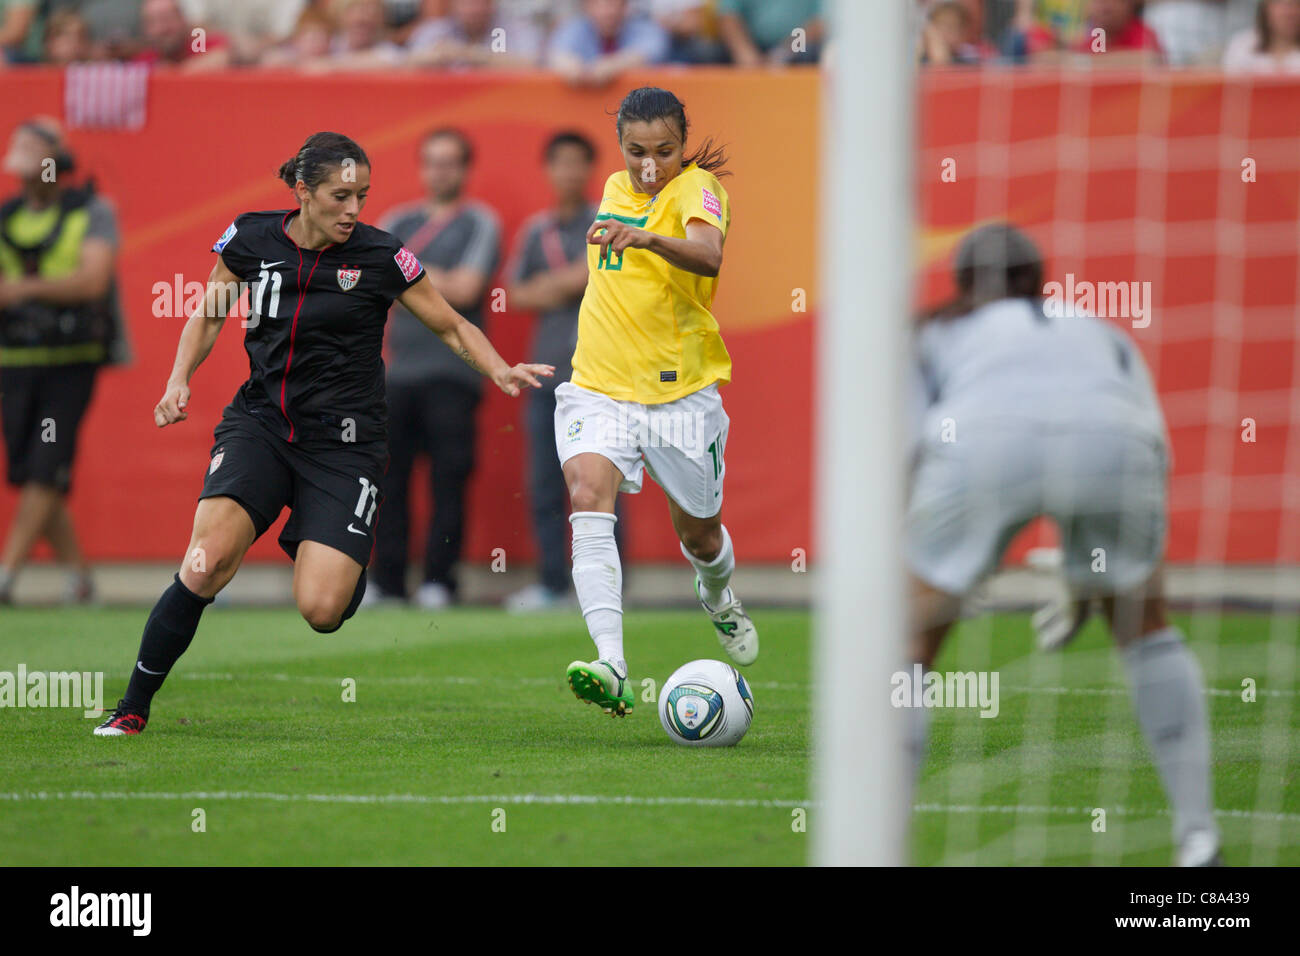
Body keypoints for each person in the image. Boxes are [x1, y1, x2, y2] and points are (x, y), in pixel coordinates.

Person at [93, 131, 549, 736]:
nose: (353, 209)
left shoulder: (384, 256)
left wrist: (498, 367)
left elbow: (451, 325)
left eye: (362, 195)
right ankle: (132, 706)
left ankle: (341, 556)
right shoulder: (251, 237)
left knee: (322, 610)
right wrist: (179, 379)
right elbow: (207, 313)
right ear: (304, 192)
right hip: (260, 425)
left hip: (346, 445)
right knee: (204, 562)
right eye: (341, 195)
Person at [905, 223, 1220, 867]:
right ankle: (1200, 842)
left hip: (982, 440)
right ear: (1040, 279)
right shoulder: (1100, 331)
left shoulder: (937, 332)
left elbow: (909, 445)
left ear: (961, 283)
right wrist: (1096, 578)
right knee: (1147, 628)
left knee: (909, 647)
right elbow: (1152, 439)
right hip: (1117, 443)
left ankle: (877, 846)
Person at [560, 86, 758, 719]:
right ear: (620, 145)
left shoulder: (699, 190)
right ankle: (612, 664)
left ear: (683, 144)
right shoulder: (619, 186)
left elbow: (708, 254)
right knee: (588, 496)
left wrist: (644, 240)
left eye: (664, 152)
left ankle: (718, 595)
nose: (649, 166)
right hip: (600, 383)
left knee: (700, 534)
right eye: (636, 151)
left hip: (680, 395)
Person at [368, 128, 501, 609]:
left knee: (449, 482)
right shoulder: (395, 219)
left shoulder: (480, 221)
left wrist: (409, 279)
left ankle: (440, 582)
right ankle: (387, 583)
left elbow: (467, 289)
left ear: (464, 169)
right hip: (395, 376)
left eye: (449, 162)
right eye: (432, 162)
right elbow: (374, 282)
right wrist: (426, 282)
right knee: (388, 483)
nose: (440, 171)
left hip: (455, 374)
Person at [0, 118, 128, 605]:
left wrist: (21, 291)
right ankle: (79, 576)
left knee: (45, 463)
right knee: (31, 469)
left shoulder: (91, 211)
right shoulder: (7, 215)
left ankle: (6, 574)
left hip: (70, 361)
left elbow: (92, 281)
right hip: (13, 359)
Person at [503, 131, 599, 613]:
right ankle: (551, 584)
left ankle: (603, 587)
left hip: (597, 374)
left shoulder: (606, 220)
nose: (569, 173)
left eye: (577, 164)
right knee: (545, 482)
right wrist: (567, 282)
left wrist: (557, 283)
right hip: (545, 374)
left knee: (598, 483)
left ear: (589, 170)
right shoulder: (535, 230)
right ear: (549, 170)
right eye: (559, 163)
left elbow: (597, 274)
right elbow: (516, 294)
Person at [1223, 0, 1300, 72]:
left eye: (1297, 5)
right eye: (1280, 4)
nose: (1289, 13)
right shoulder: (1241, 45)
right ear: (1264, 9)